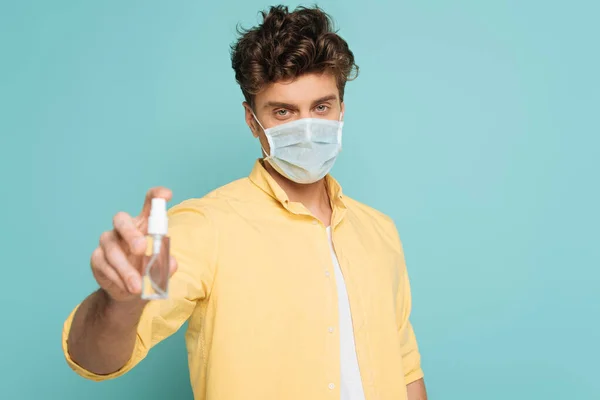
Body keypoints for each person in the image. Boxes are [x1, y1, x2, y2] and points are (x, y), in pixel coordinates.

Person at [62, 5, 427, 400]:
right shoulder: (205, 227)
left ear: (341, 109)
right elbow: (97, 359)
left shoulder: (379, 231)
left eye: (321, 107)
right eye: (284, 112)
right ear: (253, 121)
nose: (307, 130)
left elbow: (405, 368)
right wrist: (118, 302)